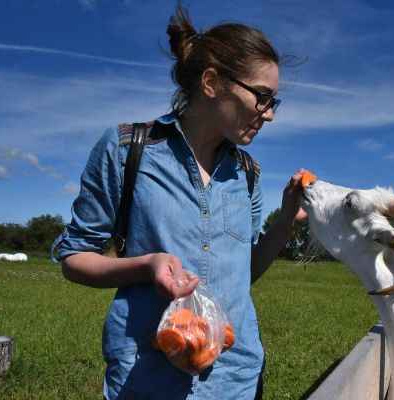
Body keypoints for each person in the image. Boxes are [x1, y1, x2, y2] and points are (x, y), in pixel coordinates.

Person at [51, 3, 308, 400]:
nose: (269, 114)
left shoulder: (249, 173)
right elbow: (74, 259)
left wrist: (286, 222)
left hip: (236, 379)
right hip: (147, 379)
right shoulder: (126, 150)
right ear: (211, 82)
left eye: (273, 102)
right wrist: (147, 265)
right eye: (262, 97)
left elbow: (245, 276)